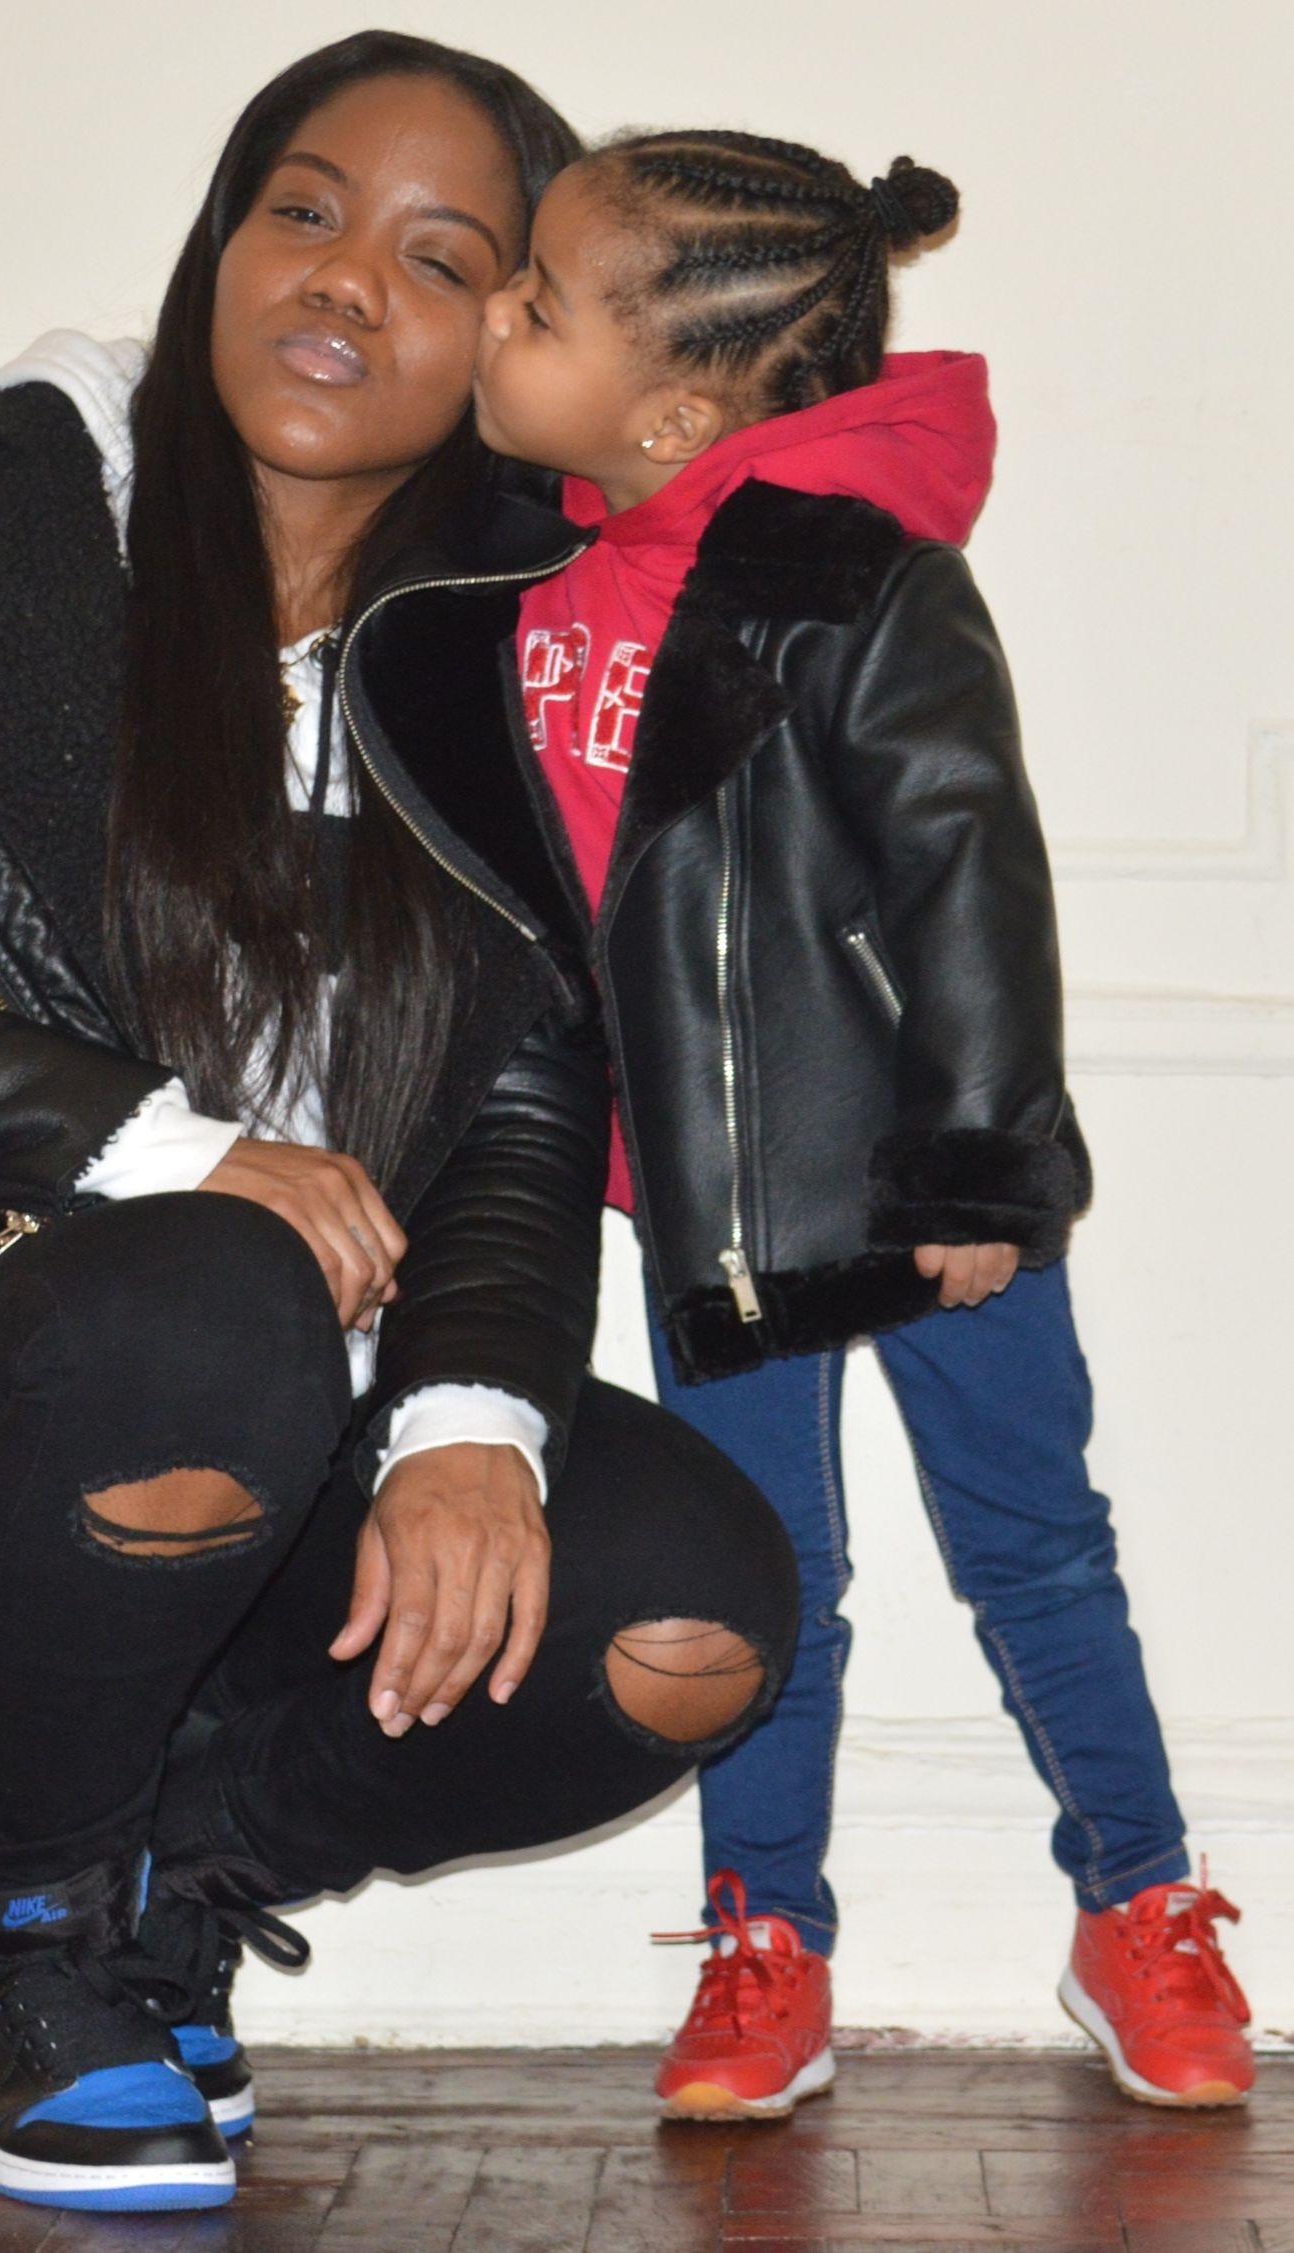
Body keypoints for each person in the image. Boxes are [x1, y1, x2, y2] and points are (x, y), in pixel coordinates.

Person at [0, 42, 801, 2213]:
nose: (347, 279)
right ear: (220, 238)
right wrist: (156, 1145)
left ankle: (170, 1887)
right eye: (304, 209)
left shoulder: (511, 646)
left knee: (694, 1615)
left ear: (506, 338)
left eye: (439, 258)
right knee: (213, 1283)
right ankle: (30, 1920)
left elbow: (528, 1096)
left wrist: (469, 1415)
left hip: (309, 1428)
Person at [472, 127, 1254, 2117]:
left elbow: (969, 868)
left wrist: (979, 1161)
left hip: (922, 1182)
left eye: (536, 302)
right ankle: (767, 1940)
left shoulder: (851, 576)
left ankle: (1139, 1901)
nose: (493, 317)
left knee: (1035, 1547)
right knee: (763, 1584)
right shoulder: (516, 568)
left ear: (673, 406)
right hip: (710, 1193)